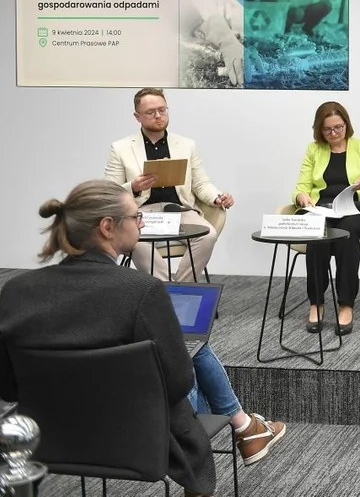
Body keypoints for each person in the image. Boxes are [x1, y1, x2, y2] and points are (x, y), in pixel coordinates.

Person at [0, 181, 286, 497]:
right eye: (136, 216)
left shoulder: (16, 291)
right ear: (107, 227)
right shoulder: (142, 291)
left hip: (46, 436)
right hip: (137, 438)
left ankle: (247, 425)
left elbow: (8, 386)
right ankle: (244, 425)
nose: (142, 223)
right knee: (193, 353)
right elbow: (178, 383)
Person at [105, 88, 234, 282]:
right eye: (150, 112)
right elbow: (109, 193)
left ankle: (181, 288)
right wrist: (134, 187)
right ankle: (164, 288)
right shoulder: (121, 148)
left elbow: (201, 183)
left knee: (208, 235)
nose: (158, 116)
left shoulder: (186, 145)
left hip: (179, 210)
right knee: (136, 240)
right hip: (141, 213)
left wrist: (217, 197)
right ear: (137, 117)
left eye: (162, 110)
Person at [293, 101, 360, 335]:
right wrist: (302, 196)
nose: (333, 133)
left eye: (338, 127)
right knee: (318, 232)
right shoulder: (314, 150)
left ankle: (346, 304)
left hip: (357, 209)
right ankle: (316, 303)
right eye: (327, 129)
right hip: (323, 209)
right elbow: (301, 187)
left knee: (347, 231)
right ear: (319, 129)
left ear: (346, 125)